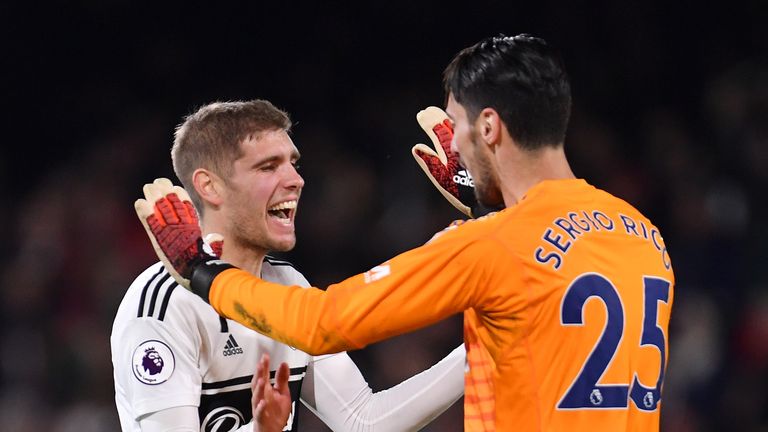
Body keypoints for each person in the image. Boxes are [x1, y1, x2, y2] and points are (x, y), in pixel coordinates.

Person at [137, 34, 675, 431]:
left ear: (489, 127)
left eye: (457, 125)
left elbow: (322, 322)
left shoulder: (490, 244)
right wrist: (489, 203)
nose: (453, 144)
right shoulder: (643, 235)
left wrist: (201, 271)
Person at [112, 100, 466, 432]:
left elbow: (362, 420)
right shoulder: (163, 306)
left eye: (293, 163)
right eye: (268, 167)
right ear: (210, 186)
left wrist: (479, 347)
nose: (296, 180)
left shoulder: (286, 282)